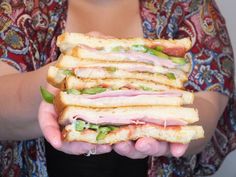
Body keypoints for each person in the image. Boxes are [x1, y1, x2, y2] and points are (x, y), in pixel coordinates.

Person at [0, 0, 235, 177]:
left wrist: (167, 116)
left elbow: (207, 107)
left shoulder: (190, 6)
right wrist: (56, 84)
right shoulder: (20, 7)